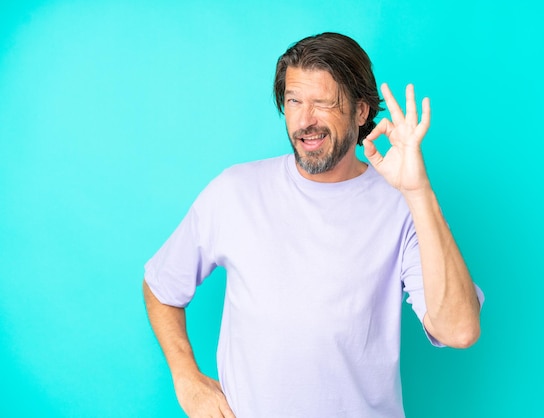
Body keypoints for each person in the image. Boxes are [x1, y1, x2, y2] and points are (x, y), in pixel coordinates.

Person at [143, 32, 484, 418]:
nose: (305, 121)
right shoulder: (234, 191)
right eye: (293, 102)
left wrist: (418, 192)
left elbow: (459, 330)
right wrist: (186, 377)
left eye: (322, 103)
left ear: (360, 111)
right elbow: (161, 285)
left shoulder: (401, 206)